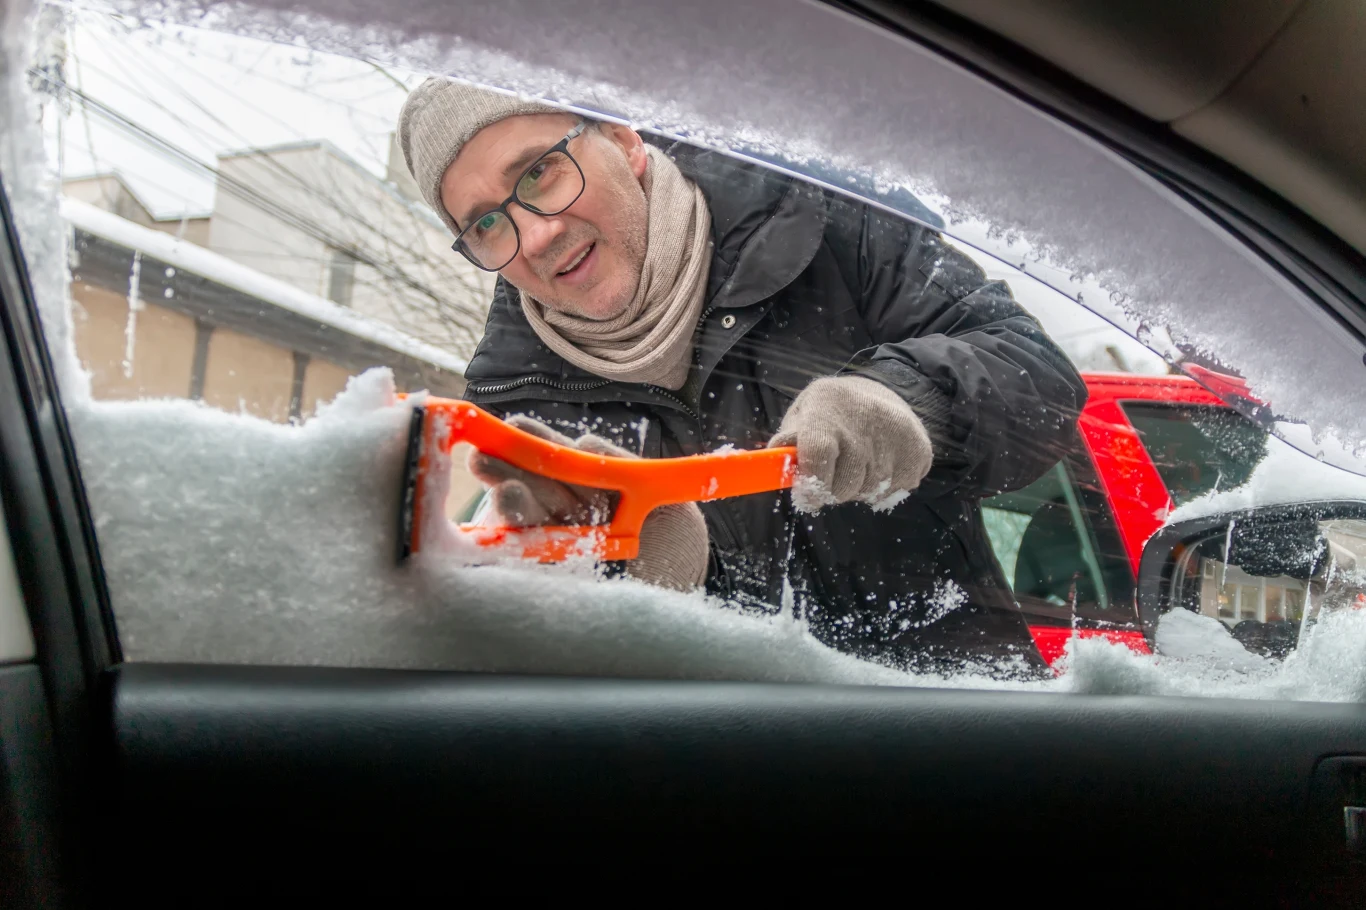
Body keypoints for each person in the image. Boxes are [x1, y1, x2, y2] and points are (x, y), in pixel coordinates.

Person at [398, 79, 1088, 676]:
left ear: (623, 141)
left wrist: (903, 400)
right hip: (727, 754)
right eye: (487, 225)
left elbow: (1038, 373)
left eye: (540, 173)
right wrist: (654, 577)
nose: (536, 236)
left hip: (957, 728)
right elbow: (552, 662)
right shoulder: (516, 402)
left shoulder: (823, 218)